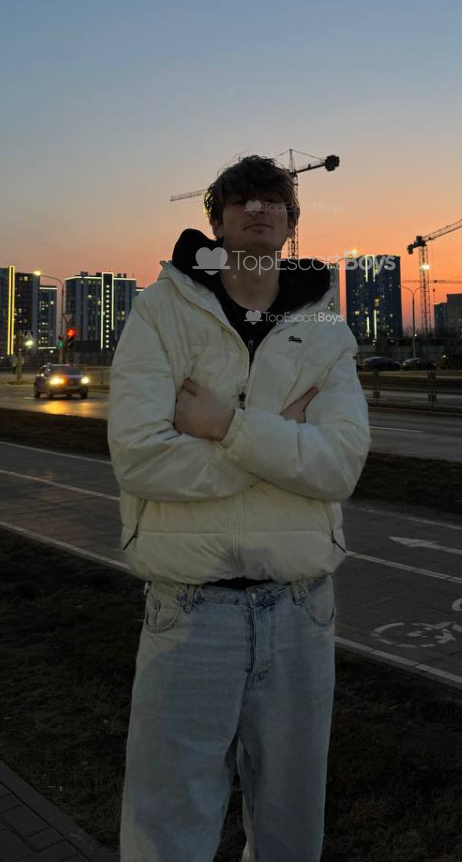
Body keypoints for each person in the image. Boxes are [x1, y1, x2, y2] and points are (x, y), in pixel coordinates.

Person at [108, 154, 371, 862]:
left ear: (291, 223)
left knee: (291, 829)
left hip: (301, 609)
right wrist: (281, 441)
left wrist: (225, 425)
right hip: (191, 609)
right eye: (242, 200)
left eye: (273, 200)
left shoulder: (325, 327)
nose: (258, 209)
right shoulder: (161, 311)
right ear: (217, 222)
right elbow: (140, 457)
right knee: (168, 830)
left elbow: (340, 466)